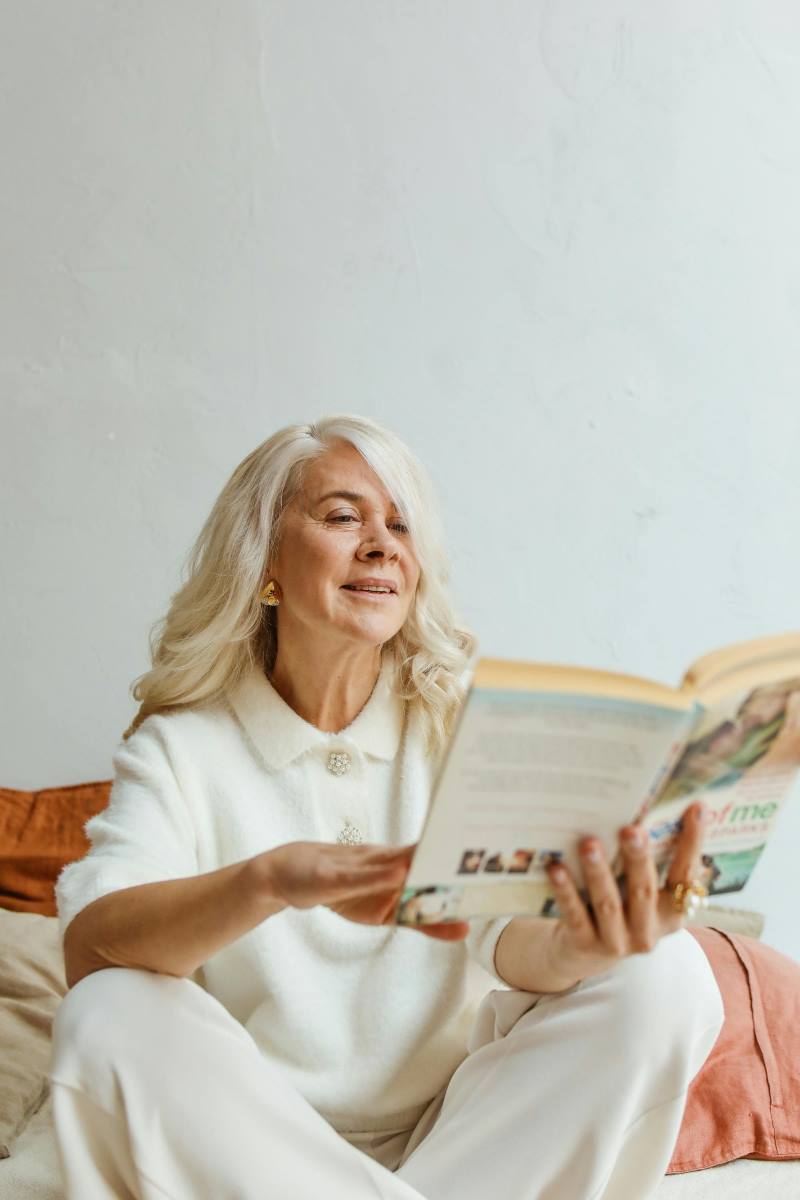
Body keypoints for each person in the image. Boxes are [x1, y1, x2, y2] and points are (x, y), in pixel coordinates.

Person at [48, 415, 724, 1200]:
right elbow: (92, 950)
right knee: (108, 1011)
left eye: (400, 524)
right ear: (264, 559)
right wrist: (270, 880)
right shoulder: (183, 748)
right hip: (247, 1146)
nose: (382, 544)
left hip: (460, 1142)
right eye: (343, 517)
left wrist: (585, 943)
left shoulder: (458, 723)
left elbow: (513, 942)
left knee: (668, 972)